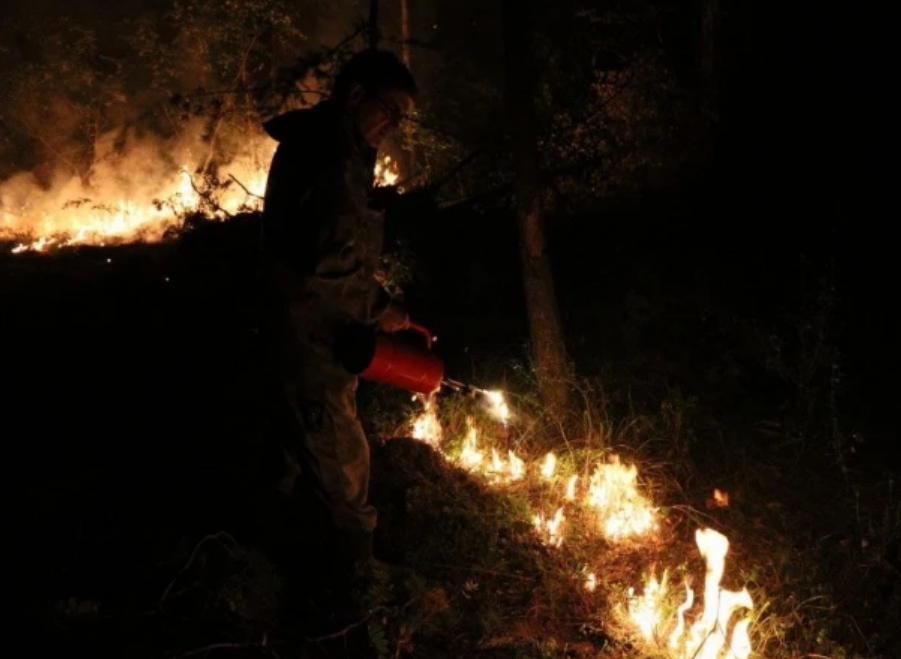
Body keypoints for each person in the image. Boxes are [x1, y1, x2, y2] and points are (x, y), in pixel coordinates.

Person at [256, 48, 418, 590]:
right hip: (309, 325)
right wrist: (381, 309)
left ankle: (274, 546)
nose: (392, 127)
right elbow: (330, 265)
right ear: (355, 96)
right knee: (338, 447)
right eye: (389, 111)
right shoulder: (330, 160)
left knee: (293, 433)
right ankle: (354, 584)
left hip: (301, 316)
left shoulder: (332, 144)